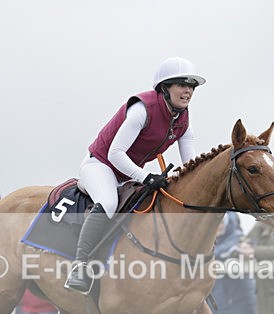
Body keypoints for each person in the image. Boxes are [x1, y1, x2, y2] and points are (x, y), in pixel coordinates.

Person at [65, 56, 206, 294]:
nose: (188, 91)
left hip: (126, 175)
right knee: (108, 202)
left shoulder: (182, 118)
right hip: (100, 165)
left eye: (192, 86)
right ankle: (80, 266)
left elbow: (190, 163)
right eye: (182, 84)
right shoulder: (143, 109)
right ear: (165, 87)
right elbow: (115, 153)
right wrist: (145, 177)